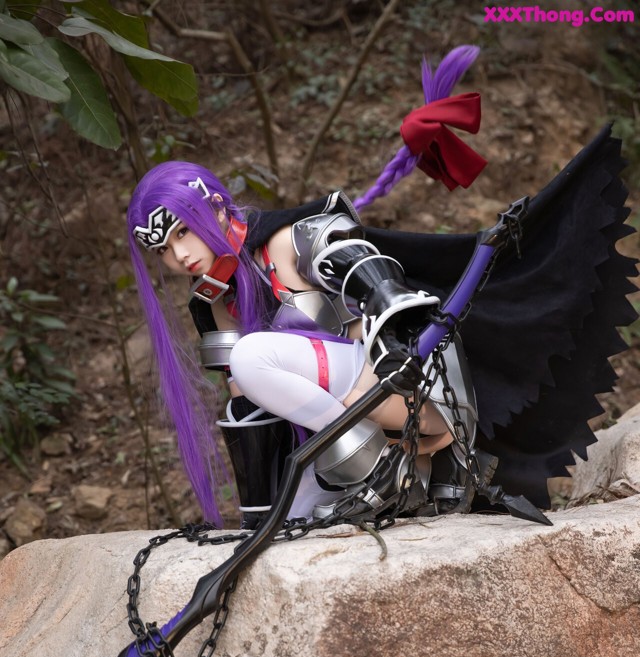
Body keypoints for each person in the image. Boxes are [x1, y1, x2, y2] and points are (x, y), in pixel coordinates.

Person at [127, 47, 637, 529]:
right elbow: (248, 410)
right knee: (289, 523)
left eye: (182, 232)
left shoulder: (292, 239)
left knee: (252, 356)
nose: (179, 256)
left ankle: (381, 472)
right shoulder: (219, 295)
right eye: (164, 250)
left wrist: (373, 391)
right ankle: (365, 476)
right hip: (344, 438)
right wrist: (259, 512)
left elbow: (388, 299)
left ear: (215, 206)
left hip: (402, 391)